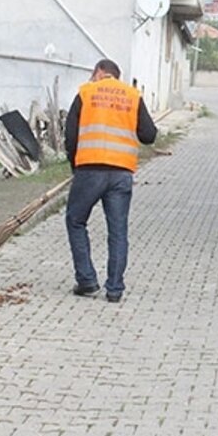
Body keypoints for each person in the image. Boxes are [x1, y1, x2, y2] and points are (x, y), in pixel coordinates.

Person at [65, 59, 158, 303]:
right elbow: (149, 135)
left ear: (98, 72)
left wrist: (75, 166)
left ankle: (86, 280)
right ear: (116, 76)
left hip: (90, 169)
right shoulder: (132, 95)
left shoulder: (86, 92)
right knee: (118, 230)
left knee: (75, 220)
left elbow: (71, 134)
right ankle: (114, 289)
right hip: (121, 173)